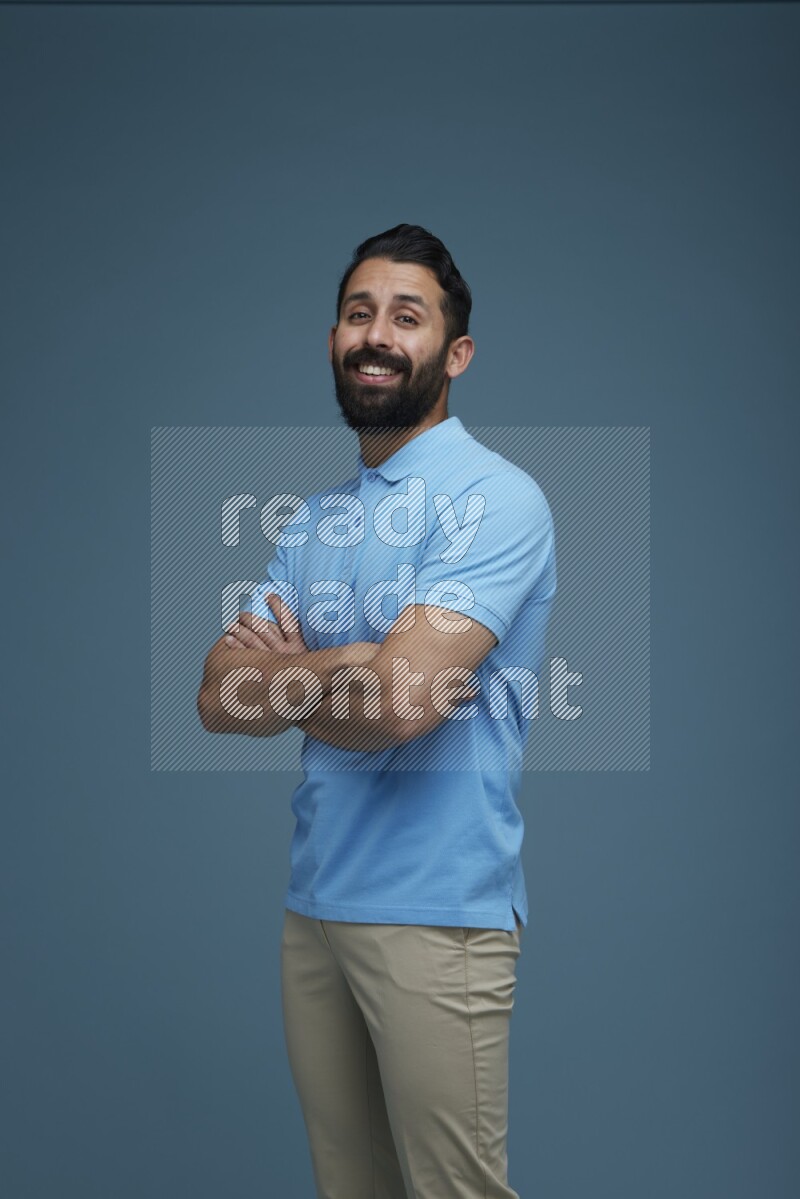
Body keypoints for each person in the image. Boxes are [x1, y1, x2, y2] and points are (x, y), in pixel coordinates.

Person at [197, 224, 557, 1198]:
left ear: (455, 352)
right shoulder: (312, 521)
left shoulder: (494, 499)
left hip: (439, 911)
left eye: (407, 316)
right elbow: (216, 696)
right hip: (315, 905)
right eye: (359, 313)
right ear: (332, 340)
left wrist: (294, 678)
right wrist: (349, 661)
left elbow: (401, 703)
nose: (377, 335)